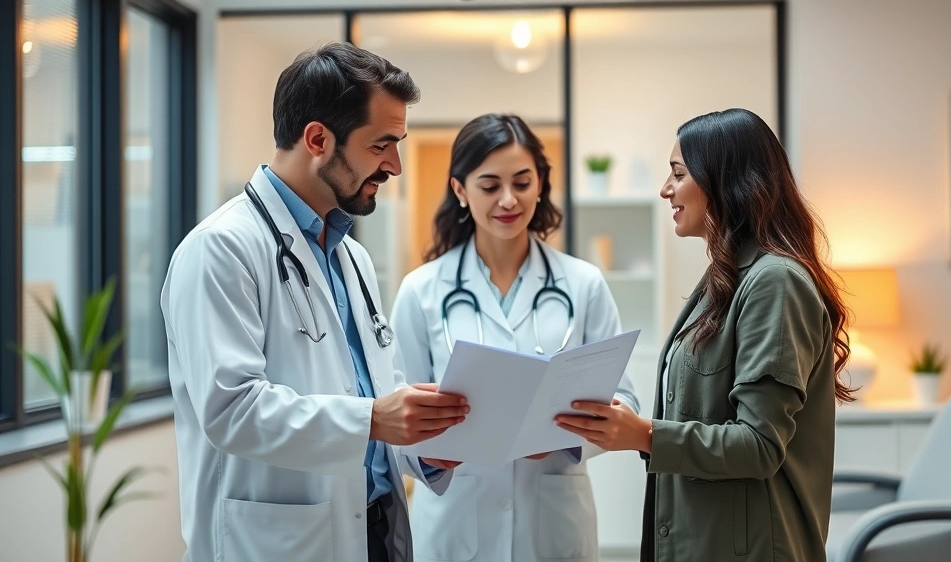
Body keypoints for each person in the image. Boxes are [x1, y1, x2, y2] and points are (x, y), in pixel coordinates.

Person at [160, 42, 470, 562]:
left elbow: (367, 393)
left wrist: (419, 444)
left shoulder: (350, 256)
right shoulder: (221, 248)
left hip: (372, 532)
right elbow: (231, 409)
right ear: (318, 139)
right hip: (277, 541)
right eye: (381, 145)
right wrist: (374, 418)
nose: (395, 166)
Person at [555, 108, 852, 561]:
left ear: (724, 181)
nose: (665, 189)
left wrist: (644, 434)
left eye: (678, 173)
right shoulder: (726, 279)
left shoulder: (775, 282)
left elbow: (758, 444)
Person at [389, 113, 640, 562]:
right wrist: (431, 457)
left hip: (553, 526)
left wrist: (564, 438)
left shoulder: (582, 284)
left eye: (522, 183)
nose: (508, 199)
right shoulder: (422, 290)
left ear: (540, 184)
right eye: (489, 186)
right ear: (460, 190)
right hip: (454, 523)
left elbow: (625, 403)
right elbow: (395, 416)